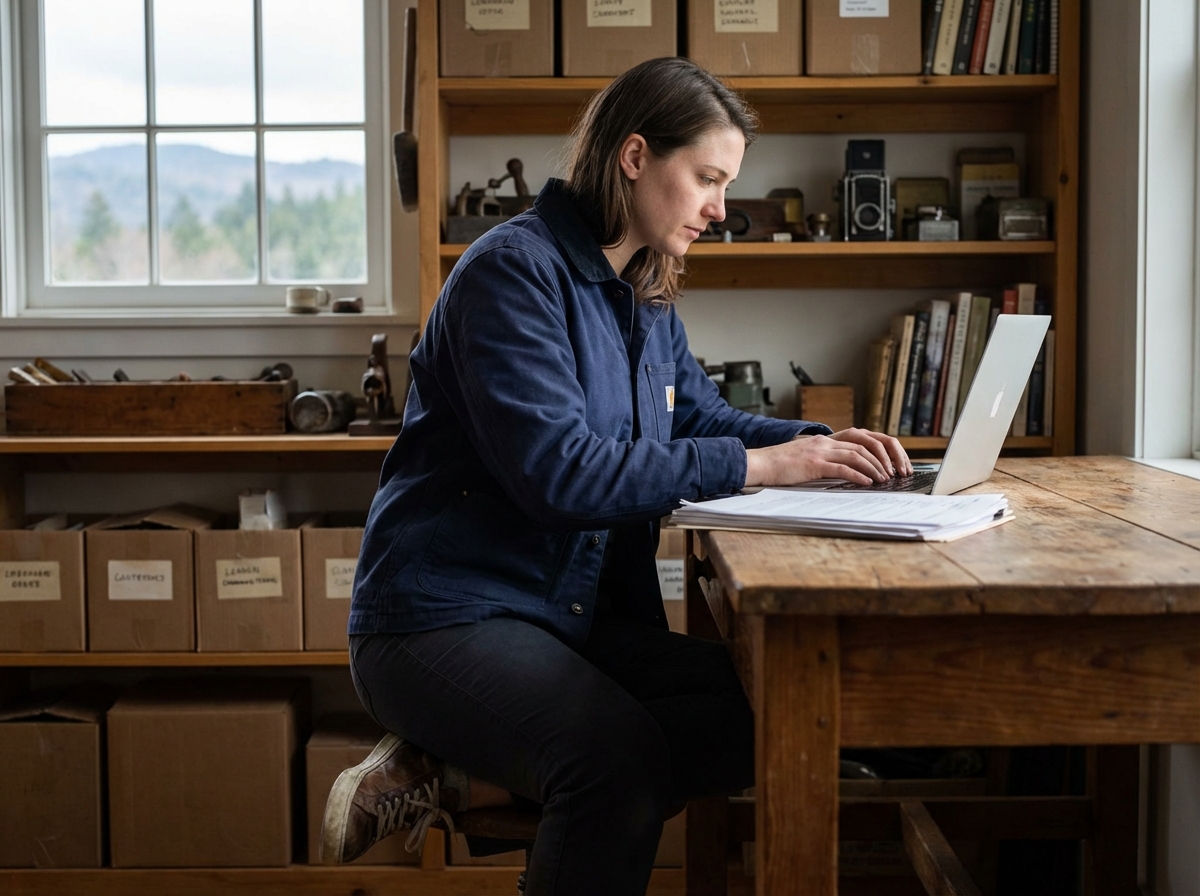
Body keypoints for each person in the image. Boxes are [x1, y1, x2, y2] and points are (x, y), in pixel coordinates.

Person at [320, 56, 911, 895]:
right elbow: (558, 476)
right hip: (443, 618)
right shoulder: (509, 274)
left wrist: (826, 446)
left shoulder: (644, 291)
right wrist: (763, 463)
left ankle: (458, 775)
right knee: (614, 767)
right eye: (706, 178)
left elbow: (701, 419)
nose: (720, 207)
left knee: (788, 706)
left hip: (564, 618)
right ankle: (478, 752)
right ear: (635, 157)